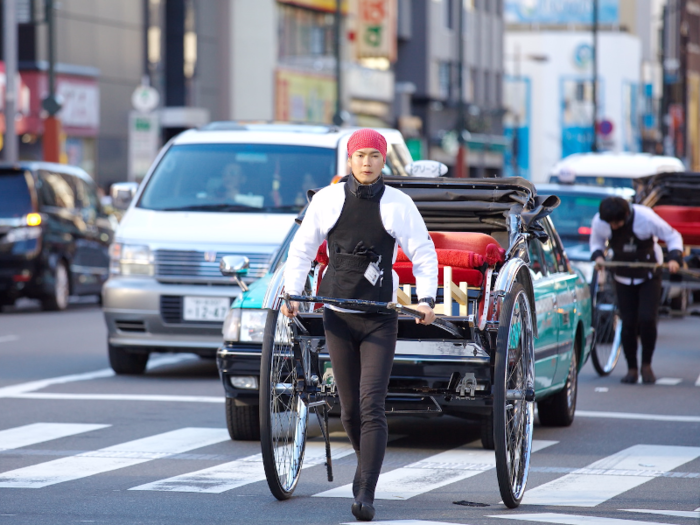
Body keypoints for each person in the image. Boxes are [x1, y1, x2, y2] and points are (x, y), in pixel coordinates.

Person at [282, 128, 438, 521]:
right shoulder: (328, 199)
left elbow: (423, 252)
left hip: (380, 318)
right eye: (359, 155)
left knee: (372, 405)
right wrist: (291, 291)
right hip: (337, 315)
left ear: (383, 160)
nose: (366, 162)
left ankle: (366, 490)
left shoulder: (398, 203)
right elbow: (301, 248)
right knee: (349, 411)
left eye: (374, 155)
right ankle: (364, 462)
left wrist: (426, 299)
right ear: (349, 160)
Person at [590, 197, 683, 384]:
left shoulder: (646, 218)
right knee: (628, 321)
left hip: (649, 273)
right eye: (610, 224)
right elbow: (596, 241)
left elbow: (673, 236)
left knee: (647, 318)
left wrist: (674, 258)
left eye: (617, 223)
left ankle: (646, 364)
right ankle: (631, 368)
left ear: (626, 214)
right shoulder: (601, 221)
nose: (613, 227)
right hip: (622, 275)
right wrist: (599, 256)